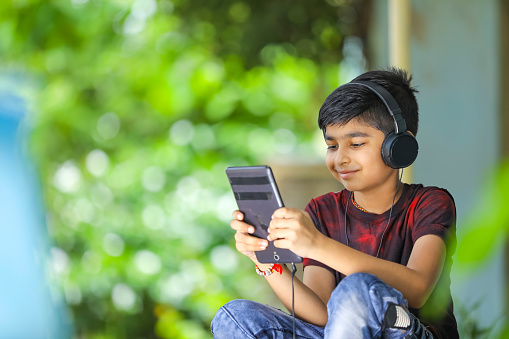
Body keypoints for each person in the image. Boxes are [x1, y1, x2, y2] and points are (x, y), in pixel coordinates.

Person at [211, 68, 458, 338]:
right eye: (332, 146)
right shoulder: (322, 210)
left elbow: (418, 288)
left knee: (359, 288)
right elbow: (322, 317)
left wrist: (316, 244)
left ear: (398, 147)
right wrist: (267, 260)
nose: (340, 159)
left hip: (407, 331)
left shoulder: (430, 203)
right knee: (234, 316)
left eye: (355, 144)